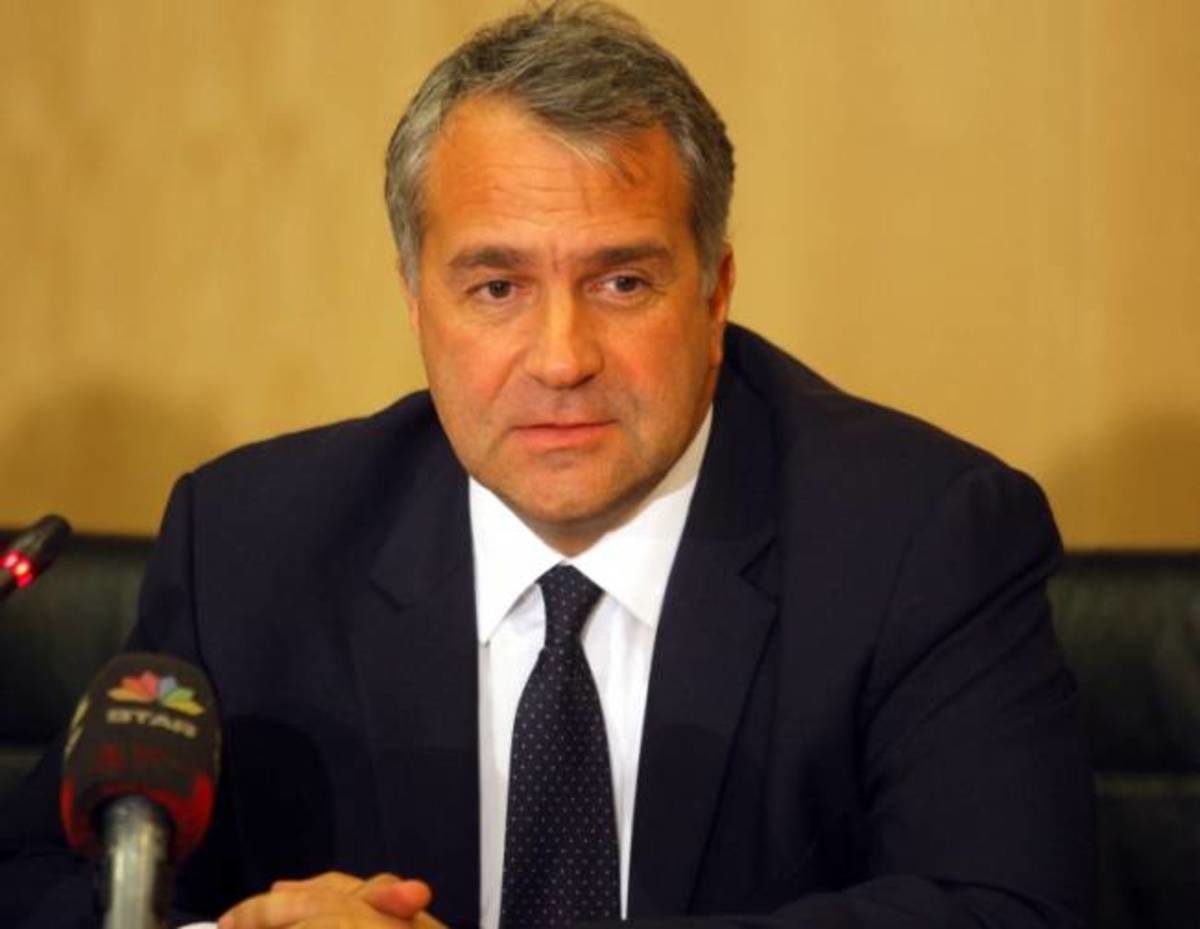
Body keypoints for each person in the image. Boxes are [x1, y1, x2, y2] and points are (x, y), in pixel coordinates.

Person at [0, 2, 1094, 928]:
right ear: (414, 300)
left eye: (623, 283)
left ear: (715, 295)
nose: (563, 359)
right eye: (497, 287)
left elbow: (1011, 906)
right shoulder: (253, 545)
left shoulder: (920, 538)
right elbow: (35, 879)